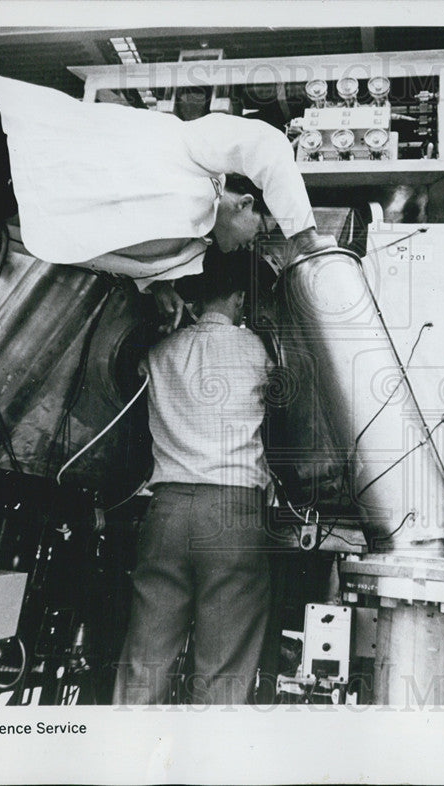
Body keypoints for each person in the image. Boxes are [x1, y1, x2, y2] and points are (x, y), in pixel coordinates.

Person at [0, 72, 332, 331]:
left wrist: (155, 285)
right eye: (262, 232)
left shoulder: (189, 249)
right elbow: (266, 144)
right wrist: (304, 233)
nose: (253, 245)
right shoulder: (201, 154)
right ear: (247, 203)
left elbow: (113, 241)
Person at [113, 248, 275, 705]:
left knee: (145, 657)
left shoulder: (160, 351)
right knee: (222, 667)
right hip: (232, 513)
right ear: (241, 299)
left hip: (165, 509)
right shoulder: (257, 350)